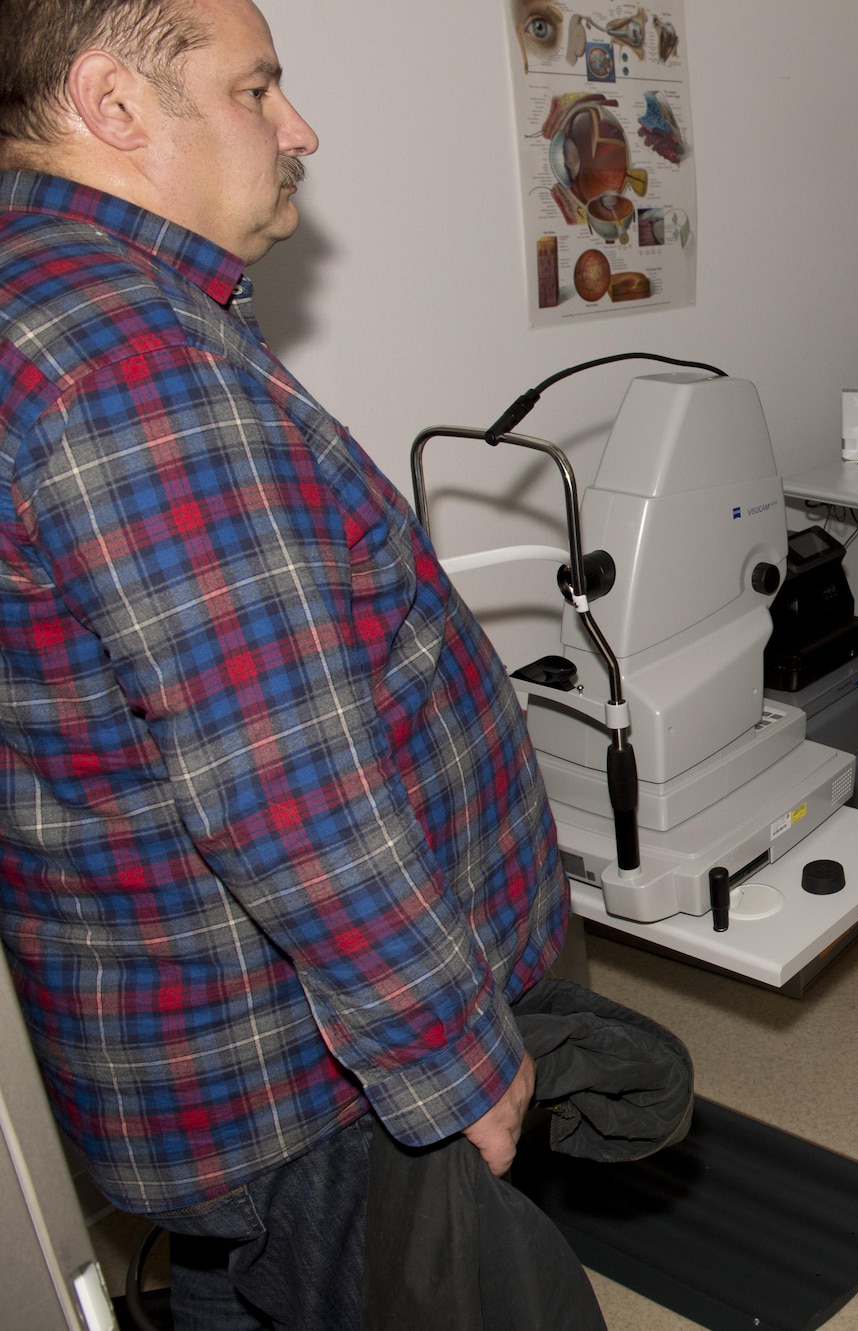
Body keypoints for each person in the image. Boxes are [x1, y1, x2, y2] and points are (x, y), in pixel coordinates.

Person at [0, 0, 571, 1323]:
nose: (299, 129)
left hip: (192, 1051)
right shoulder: (125, 361)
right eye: (258, 89)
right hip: (300, 1084)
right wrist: (455, 1054)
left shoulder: (55, 304)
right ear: (115, 105)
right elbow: (285, 775)